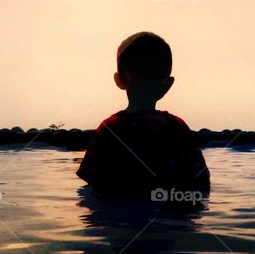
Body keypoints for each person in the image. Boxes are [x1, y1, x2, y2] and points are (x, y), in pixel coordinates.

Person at [77, 31, 210, 201]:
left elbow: (91, 189)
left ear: (120, 80)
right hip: (173, 221)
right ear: (167, 84)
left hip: (121, 221)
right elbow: (202, 183)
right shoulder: (177, 128)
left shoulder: (111, 129)